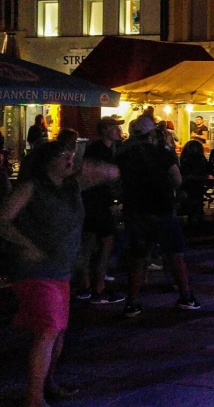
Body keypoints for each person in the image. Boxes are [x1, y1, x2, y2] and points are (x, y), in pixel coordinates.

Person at [0, 141, 119, 406]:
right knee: (48, 330)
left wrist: (96, 165)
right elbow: (2, 220)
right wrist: (27, 245)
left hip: (61, 270)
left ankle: (48, 382)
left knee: (58, 331)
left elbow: (110, 173)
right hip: (33, 270)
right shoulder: (31, 187)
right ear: (46, 161)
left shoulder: (72, 187)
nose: (70, 159)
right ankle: (34, 397)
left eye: (71, 155)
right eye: (63, 155)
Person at [117, 116, 200, 317]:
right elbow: (177, 179)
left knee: (139, 257)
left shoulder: (124, 155)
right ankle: (185, 296)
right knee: (175, 254)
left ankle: (132, 302)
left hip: (136, 211)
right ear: (152, 132)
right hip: (161, 208)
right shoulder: (163, 153)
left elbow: (117, 181)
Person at [75, 117, 125, 304]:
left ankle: (85, 286)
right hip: (98, 203)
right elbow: (98, 177)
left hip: (91, 202)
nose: (118, 130)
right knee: (106, 242)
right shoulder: (101, 151)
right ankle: (98, 288)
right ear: (104, 129)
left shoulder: (99, 149)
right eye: (114, 126)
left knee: (88, 243)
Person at [178, 140, 210, 222]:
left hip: (186, 182)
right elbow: (207, 169)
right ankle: (198, 214)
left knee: (190, 198)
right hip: (198, 182)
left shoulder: (184, 158)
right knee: (197, 197)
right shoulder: (201, 158)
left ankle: (191, 215)